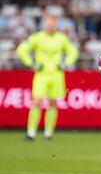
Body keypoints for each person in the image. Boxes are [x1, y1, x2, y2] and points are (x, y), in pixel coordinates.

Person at [16, 13, 79, 141]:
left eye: (53, 24)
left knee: (53, 103)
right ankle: (31, 132)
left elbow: (73, 51)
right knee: (37, 101)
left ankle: (48, 133)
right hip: (42, 75)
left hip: (56, 75)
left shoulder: (61, 38)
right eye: (49, 24)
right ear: (45, 25)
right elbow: (22, 49)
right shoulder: (37, 37)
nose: (51, 26)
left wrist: (65, 63)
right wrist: (31, 63)